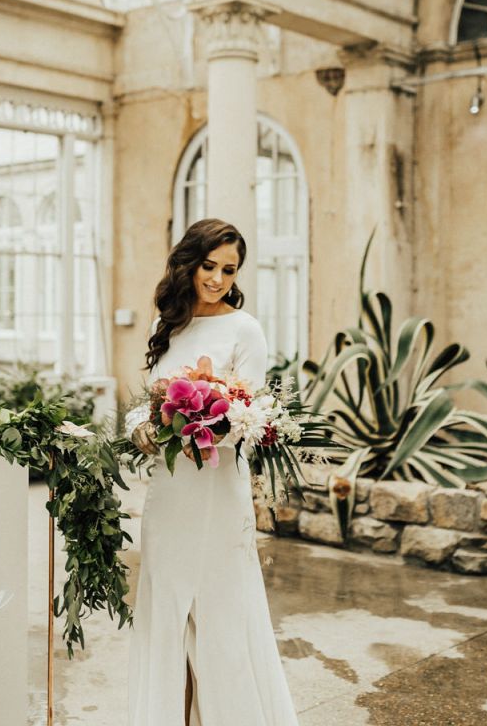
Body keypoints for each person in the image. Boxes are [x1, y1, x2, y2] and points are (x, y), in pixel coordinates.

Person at [124, 218, 300, 726]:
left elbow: (254, 415)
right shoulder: (172, 326)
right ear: (189, 262)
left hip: (218, 490)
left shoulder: (244, 328)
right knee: (167, 612)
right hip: (170, 491)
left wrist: (202, 421)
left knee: (222, 612)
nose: (218, 278)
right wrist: (142, 423)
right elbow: (145, 400)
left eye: (229, 269)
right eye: (209, 266)